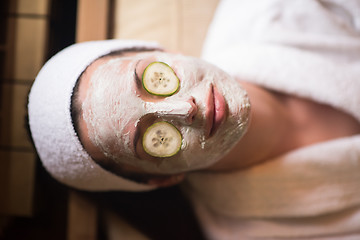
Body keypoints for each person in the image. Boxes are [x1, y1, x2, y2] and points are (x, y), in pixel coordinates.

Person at [28, 0, 360, 239]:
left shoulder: (265, 9)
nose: (187, 109)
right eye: (152, 138)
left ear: (163, 52)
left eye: (153, 80)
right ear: (161, 179)